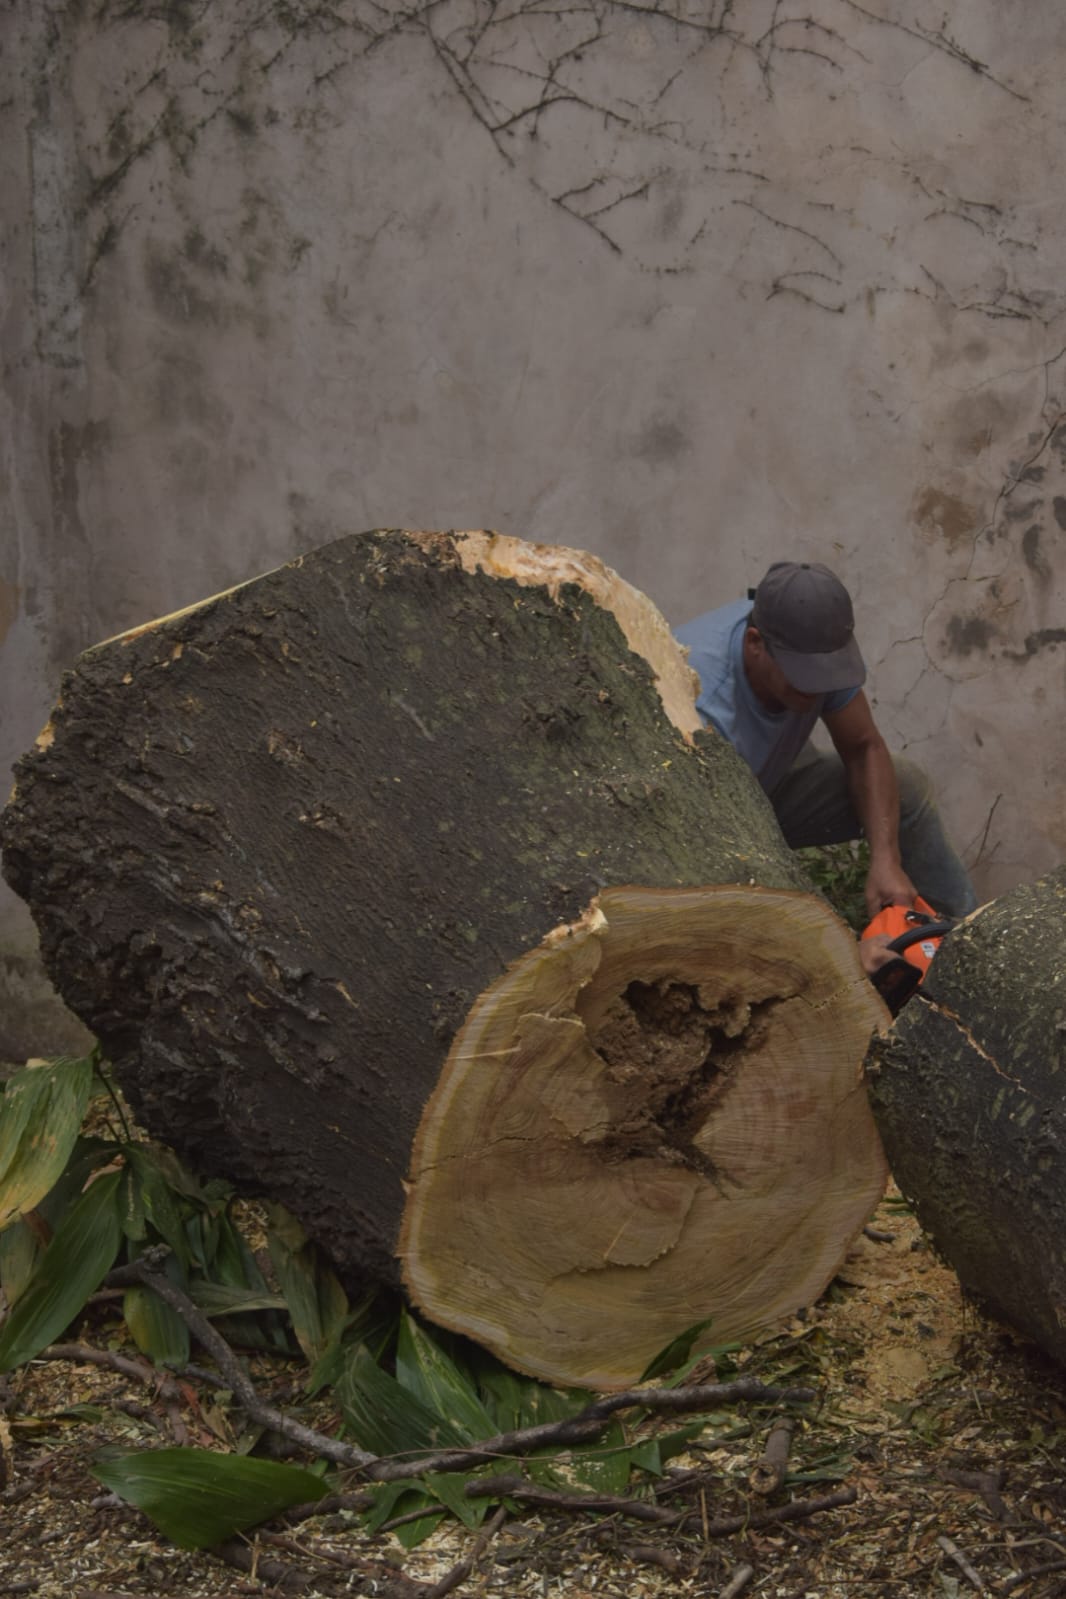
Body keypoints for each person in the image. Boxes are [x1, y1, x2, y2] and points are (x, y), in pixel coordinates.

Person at [675, 561, 978, 923]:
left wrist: (886, 859)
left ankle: (964, 940)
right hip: (697, 824)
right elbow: (700, 850)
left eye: (826, 674)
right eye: (804, 677)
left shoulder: (815, 638)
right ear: (755, 644)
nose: (818, 688)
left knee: (905, 783)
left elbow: (864, 747)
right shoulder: (700, 704)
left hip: (764, 784)